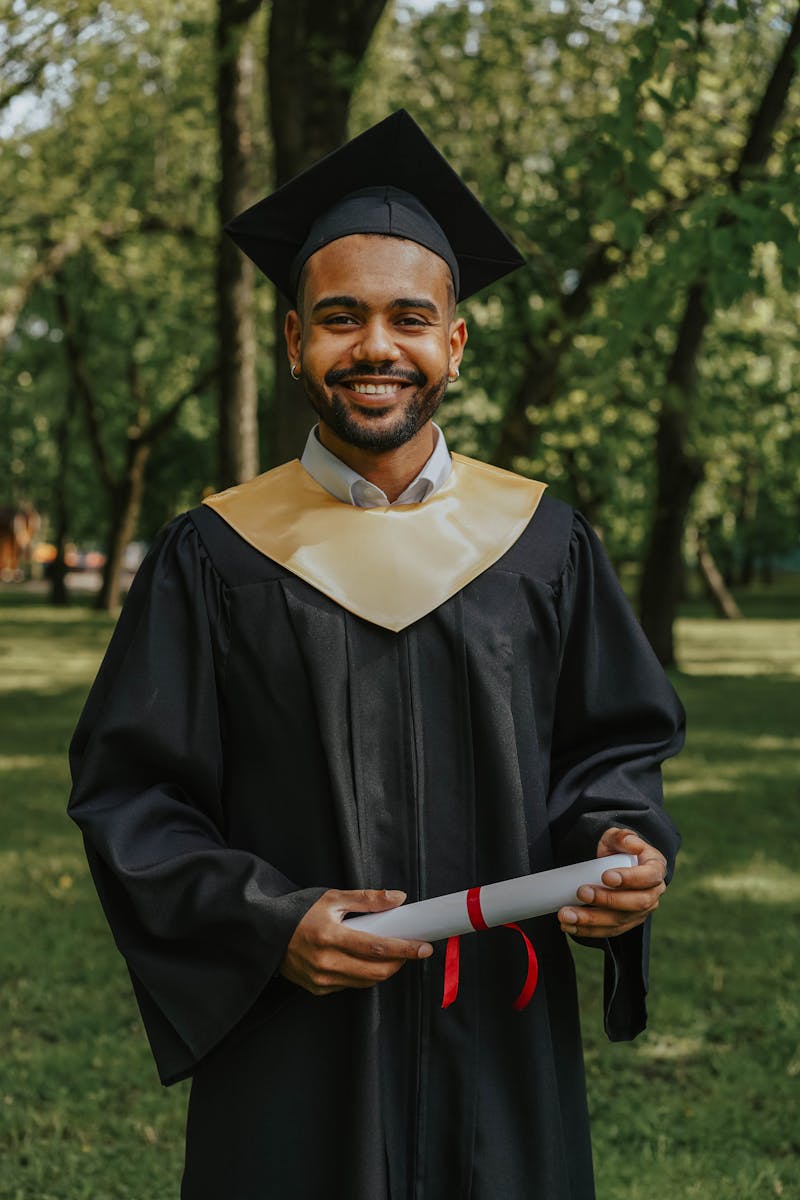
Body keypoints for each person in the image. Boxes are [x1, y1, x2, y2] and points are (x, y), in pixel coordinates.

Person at [68, 111, 684, 1200]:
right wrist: (267, 925)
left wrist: (615, 841)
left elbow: (608, 748)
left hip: (499, 1022)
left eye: (410, 317)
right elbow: (134, 796)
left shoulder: (541, 542)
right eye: (339, 318)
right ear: (297, 336)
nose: (375, 348)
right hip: (297, 1050)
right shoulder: (215, 553)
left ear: (453, 342)